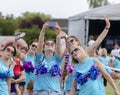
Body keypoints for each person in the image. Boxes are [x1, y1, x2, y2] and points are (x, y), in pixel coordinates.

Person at [33, 22, 64, 95]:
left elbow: (59, 50)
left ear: (55, 48)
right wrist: (43, 31)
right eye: (47, 44)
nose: (50, 45)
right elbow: (39, 45)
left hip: (55, 92)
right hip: (40, 92)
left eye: (52, 44)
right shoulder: (39, 58)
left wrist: (58, 35)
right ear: (43, 48)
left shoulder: (57, 59)